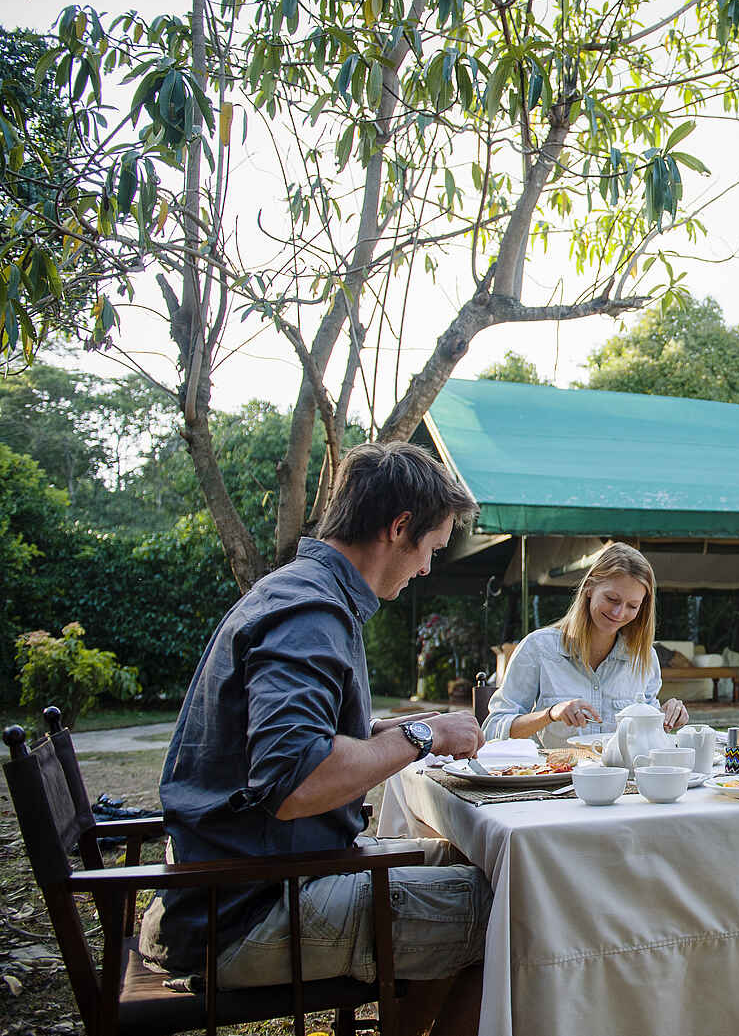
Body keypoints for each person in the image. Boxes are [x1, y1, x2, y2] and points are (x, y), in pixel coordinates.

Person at [139, 442, 489, 1036]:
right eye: (429, 549)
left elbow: (306, 741)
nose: (427, 567)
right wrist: (421, 732)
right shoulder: (310, 613)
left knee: (480, 868)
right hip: (245, 912)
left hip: (237, 883)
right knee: (512, 915)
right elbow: (297, 779)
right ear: (399, 527)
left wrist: (390, 733)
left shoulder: (303, 592)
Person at [483, 542, 687, 747]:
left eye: (632, 606)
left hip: (621, 778)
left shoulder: (644, 657)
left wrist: (666, 716)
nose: (619, 613)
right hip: (556, 776)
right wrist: (550, 714)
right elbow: (492, 730)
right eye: (611, 599)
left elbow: (648, 737)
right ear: (589, 588)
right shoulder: (538, 649)